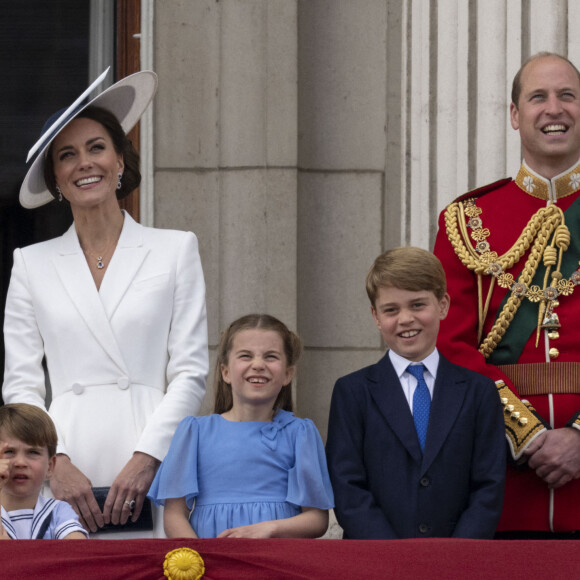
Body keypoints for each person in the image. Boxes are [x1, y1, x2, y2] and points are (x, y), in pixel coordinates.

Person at [2, 70, 209, 537]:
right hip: (63, 458)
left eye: (96, 147)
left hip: (153, 457)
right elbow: (21, 384)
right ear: (55, 177)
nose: (84, 163)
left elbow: (191, 371)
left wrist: (147, 456)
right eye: (67, 155)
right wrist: (55, 464)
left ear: (119, 160)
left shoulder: (175, 249)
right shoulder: (31, 263)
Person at [434, 52, 580, 538]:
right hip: (503, 484)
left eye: (568, 96)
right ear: (515, 115)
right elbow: (448, 345)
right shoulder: (466, 220)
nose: (554, 109)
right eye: (538, 97)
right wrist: (529, 434)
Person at [326, 247, 505, 539]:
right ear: (375, 316)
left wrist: (456, 556)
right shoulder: (352, 392)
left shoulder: (479, 391)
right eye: (391, 310)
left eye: (418, 305)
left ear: (443, 305)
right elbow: (347, 486)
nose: (405, 319)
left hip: (458, 562)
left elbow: (489, 485)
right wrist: (395, 559)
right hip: (378, 561)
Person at [148, 314, 334, 539]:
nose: (258, 365)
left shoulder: (300, 433)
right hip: (212, 562)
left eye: (271, 356)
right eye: (246, 356)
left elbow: (316, 518)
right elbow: (175, 515)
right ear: (225, 372)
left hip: (276, 560)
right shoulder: (194, 432)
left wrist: (270, 528)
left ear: (288, 374)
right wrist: (201, 560)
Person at [0, 403, 87, 540]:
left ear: (50, 467)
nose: (21, 463)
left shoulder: (58, 512)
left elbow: (78, 550)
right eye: (9, 451)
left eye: (32, 452)